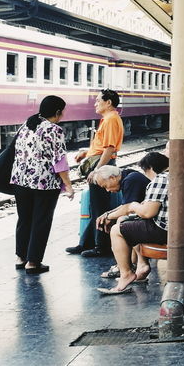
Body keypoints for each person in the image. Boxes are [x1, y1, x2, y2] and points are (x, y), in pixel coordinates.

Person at [11, 95, 74, 274]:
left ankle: (20, 257)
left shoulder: (27, 124)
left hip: (20, 180)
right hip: (43, 183)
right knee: (41, 221)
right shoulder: (54, 130)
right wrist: (68, 185)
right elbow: (60, 161)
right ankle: (33, 262)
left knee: (24, 219)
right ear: (57, 112)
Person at [97, 153, 170, 294]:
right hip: (176, 226)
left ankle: (126, 273)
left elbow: (147, 212)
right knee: (128, 222)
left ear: (150, 168)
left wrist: (133, 206)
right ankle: (137, 267)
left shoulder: (160, 180)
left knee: (117, 230)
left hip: (165, 229)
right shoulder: (169, 177)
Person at [66, 89, 123, 257]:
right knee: (95, 205)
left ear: (108, 102)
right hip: (100, 162)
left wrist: (97, 170)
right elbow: (103, 146)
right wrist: (87, 152)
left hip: (102, 166)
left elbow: (110, 148)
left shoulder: (111, 119)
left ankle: (101, 246)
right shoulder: (108, 119)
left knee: (100, 206)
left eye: (98, 100)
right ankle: (87, 243)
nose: (95, 103)